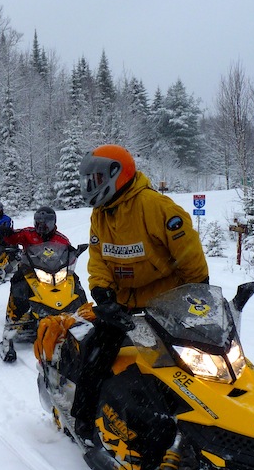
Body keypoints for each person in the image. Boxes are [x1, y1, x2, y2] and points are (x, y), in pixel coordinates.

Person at [64, 145, 209, 438]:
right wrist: (102, 294)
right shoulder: (100, 214)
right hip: (122, 306)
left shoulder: (158, 208)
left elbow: (191, 259)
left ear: (117, 175)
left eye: (94, 179)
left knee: (199, 363)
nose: (90, 186)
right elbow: (99, 259)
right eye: (87, 180)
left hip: (167, 305)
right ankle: (84, 418)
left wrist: (198, 297)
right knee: (94, 353)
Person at [0, 206, 76, 361]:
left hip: (54, 271)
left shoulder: (61, 239)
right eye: (39, 223)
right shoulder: (28, 233)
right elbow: (14, 237)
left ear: (54, 223)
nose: (42, 226)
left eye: (46, 223)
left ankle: (79, 312)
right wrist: (6, 234)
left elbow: (68, 253)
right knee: (18, 284)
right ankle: (13, 319)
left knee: (74, 281)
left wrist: (74, 254)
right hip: (30, 269)